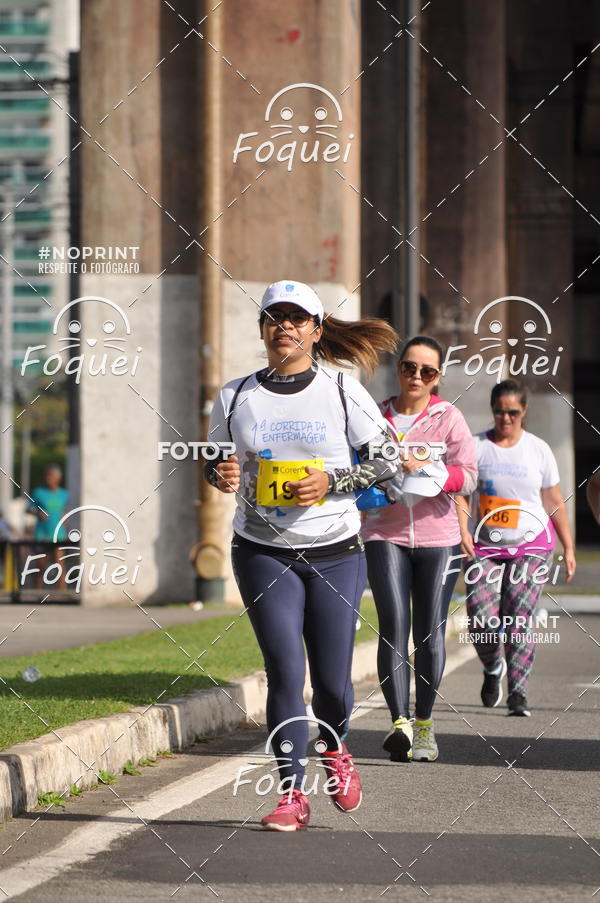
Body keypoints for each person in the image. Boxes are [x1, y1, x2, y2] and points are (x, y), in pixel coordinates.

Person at [205, 279, 399, 832]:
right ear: (263, 326)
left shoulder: (342, 389)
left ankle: (336, 750)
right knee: (286, 672)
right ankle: (292, 793)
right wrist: (221, 473)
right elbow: (217, 461)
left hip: (336, 553)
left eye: (296, 318)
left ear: (316, 330)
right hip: (262, 552)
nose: (283, 327)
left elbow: (388, 466)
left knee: (333, 685)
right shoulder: (235, 395)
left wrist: (332, 481)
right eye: (274, 317)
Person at [361, 336, 477, 763]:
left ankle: (425, 723)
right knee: (393, 624)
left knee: (428, 633)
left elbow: (468, 477)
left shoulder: (449, 418)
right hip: (383, 533)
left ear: (438, 378)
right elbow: (354, 464)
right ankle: (400, 724)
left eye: (427, 371)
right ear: (399, 369)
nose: (416, 376)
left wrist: (428, 467)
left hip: (439, 537)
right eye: (410, 367)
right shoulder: (374, 417)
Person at [458, 378, 576, 717]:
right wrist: (462, 530)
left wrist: (568, 547)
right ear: (493, 412)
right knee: (481, 617)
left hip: (531, 544)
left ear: (523, 411)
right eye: (499, 412)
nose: (505, 418)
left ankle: (518, 693)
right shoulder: (476, 446)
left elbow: (554, 501)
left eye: (512, 412)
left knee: (518, 618)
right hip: (485, 544)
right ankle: (493, 665)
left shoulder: (538, 449)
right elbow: (464, 495)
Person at [28, 465, 70, 590]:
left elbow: (67, 509)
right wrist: (37, 512)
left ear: (58, 478)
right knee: (40, 566)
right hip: (42, 534)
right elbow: (28, 508)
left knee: (60, 566)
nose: (48, 479)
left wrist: (66, 515)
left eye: (51, 476)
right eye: (47, 476)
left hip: (59, 534)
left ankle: (63, 595)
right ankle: (37, 594)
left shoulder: (64, 494)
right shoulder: (38, 492)